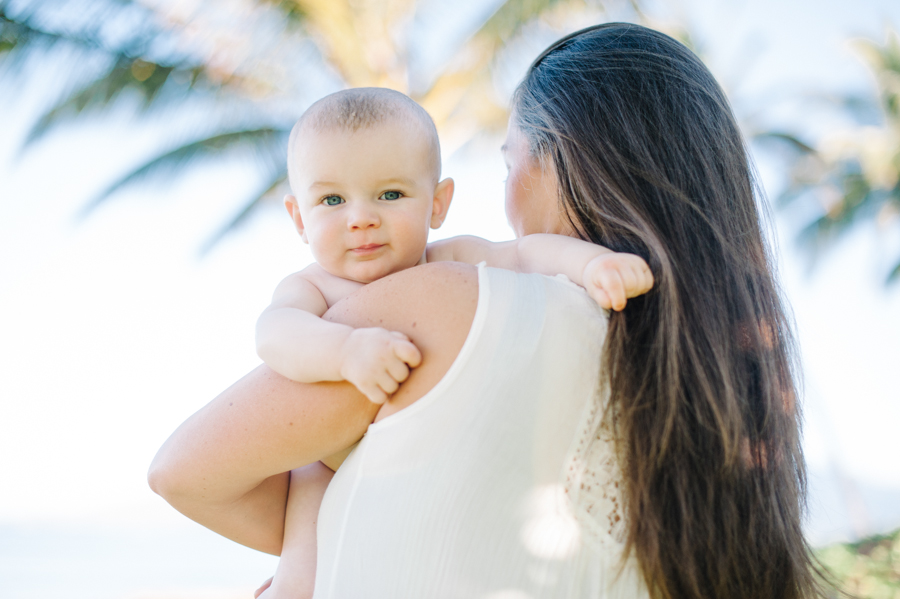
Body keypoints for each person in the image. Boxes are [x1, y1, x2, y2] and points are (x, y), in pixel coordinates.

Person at [149, 22, 825, 599]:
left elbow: (180, 470)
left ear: (558, 159)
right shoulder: (731, 383)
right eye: (333, 201)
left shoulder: (438, 299)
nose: (362, 219)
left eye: (509, 164)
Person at [255, 87, 653, 597]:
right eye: (332, 200)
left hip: (425, 468)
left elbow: (527, 255)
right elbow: (276, 334)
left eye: (391, 194)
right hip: (328, 462)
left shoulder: (452, 261)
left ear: (438, 203)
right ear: (298, 218)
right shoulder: (312, 287)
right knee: (303, 544)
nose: (361, 217)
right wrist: (344, 352)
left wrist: (592, 265)